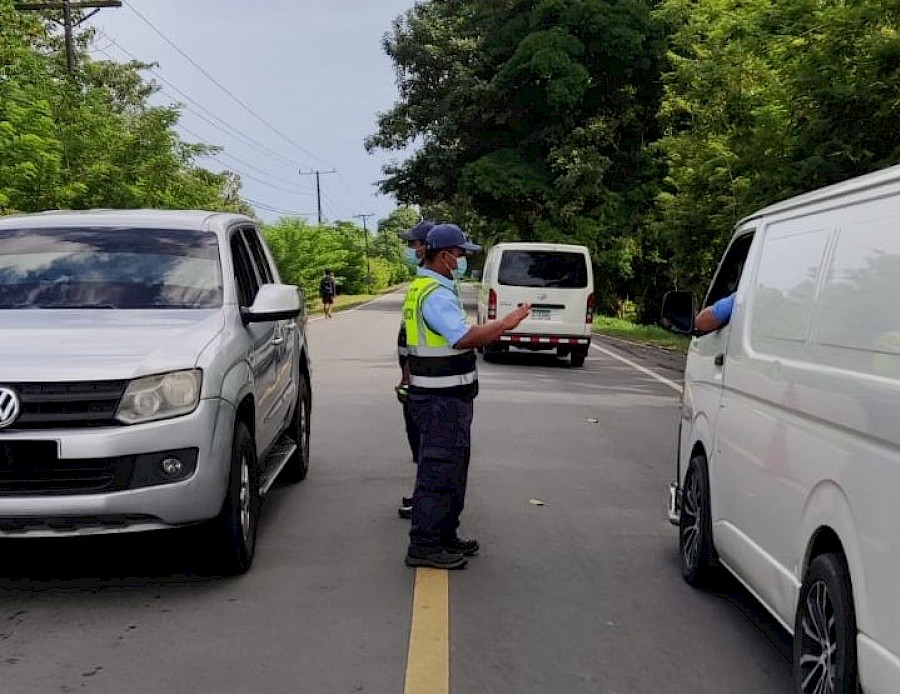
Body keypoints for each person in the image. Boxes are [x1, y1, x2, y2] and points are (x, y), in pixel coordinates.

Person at [403, 223, 531, 570]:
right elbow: (463, 338)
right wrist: (506, 324)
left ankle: (445, 535)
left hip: (442, 396)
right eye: (460, 254)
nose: (462, 261)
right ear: (445, 256)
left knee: (452, 469)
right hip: (440, 400)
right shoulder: (436, 293)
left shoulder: (428, 287)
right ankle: (426, 544)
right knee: (439, 471)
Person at [395, 220, 435, 519]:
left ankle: (426, 500)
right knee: (422, 445)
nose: (412, 249)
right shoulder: (422, 282)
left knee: (428, 445)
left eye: (415, 244)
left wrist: (408, 376)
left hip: (427, 381)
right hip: (417, 377)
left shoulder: (431, 286)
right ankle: (423, 495)